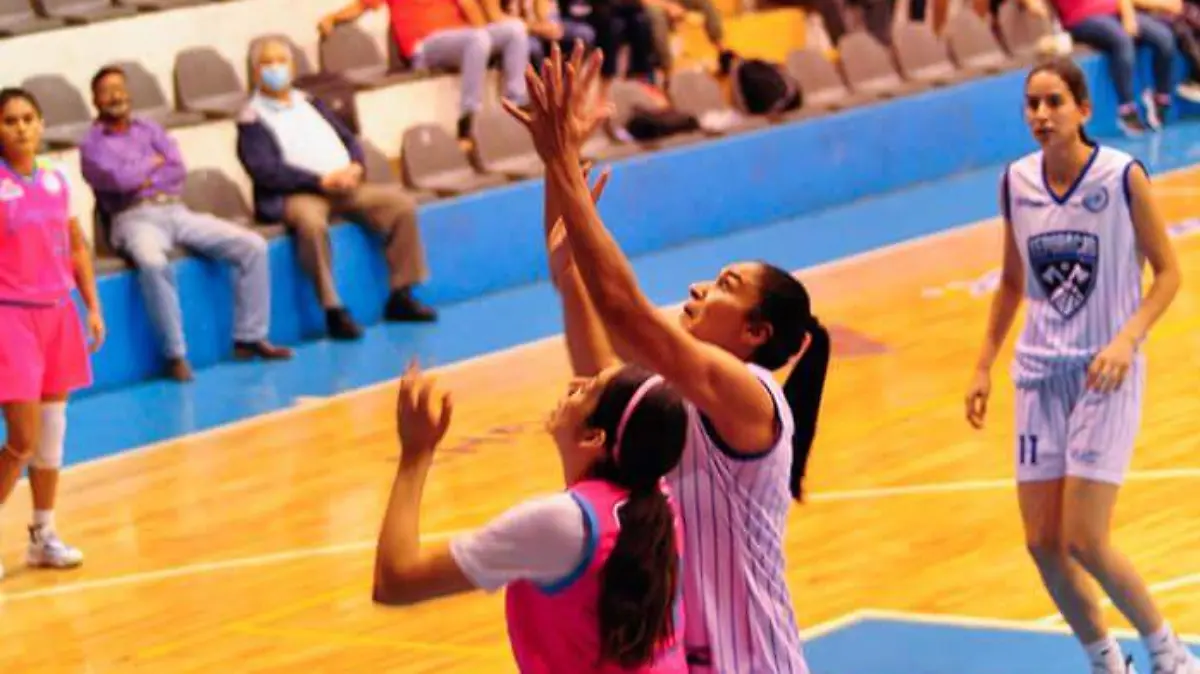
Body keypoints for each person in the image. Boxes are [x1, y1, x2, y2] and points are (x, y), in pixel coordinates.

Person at [505, 44, 831, 673]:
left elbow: (625, 314)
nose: (698, 289)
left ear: (756, 333)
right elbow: (587, 323)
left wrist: (561, 162)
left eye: (726, 286)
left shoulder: (755, 400)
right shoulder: (658, 402)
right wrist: (560, 173)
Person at [965, 56, 1195, 674]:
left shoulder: (1122, 176)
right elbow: (1013, 282)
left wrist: (1127, 340)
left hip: (1105, 372)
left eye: (1054, 102)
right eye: (1032, 105)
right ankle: (1105, 660)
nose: (1041, 115)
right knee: (1042, 543)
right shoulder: (1016, 181)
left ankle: (1169, 652)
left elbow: (1169, 273)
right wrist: (984, 363)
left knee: (1084, 539)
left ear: (1083, 110)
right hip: (1040, 375)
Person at [372, 360, 689, 673]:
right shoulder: (659, 495)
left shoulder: (562, 523)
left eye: (587, 389)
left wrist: (416, 453)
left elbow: (395, 580)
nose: (573, 384)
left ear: (593, 437)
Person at [80, 65, 293, 382]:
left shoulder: (149, 128)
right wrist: (151, 164)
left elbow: (177, 169)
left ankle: (250, 337)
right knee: (152, 263)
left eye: (120, 87)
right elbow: (117, 180)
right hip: (133, 218)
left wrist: (141, 171)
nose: (116, 95)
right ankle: (175, 354)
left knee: (253, 246)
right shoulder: (92, 144)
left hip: (177, 210)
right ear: (95, 99)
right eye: (107, 90)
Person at [237, 38, 437, 341]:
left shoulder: (309, 101)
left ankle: (401, 293)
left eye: (281, 61)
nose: (276, 68)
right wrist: (318, 181)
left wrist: (355, 165)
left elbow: (348, 138)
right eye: (268, 63)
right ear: (255, 72)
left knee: (400, 205)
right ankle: (332, 309)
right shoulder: (251, 118)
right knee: (312, 225)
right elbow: (266, 171)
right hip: (299, 193)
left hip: (343, 185)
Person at [0, 88, 105, 579]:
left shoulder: (60, 180)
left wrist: (92, 307)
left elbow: (78, 248)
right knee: (21, 438)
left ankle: (43, 534)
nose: (21, 127)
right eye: (9, 120)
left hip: (57, 313)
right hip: (10, 316)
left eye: (28, 118)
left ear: (41, 124)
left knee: (52, 436)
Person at [318, 0, 531, 141]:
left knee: (515, 29)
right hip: (424, 44)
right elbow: (362, 5)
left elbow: (471, 8)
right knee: (478, 38)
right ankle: (468, 119)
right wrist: (332, 17)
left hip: (463, 37)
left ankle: (516, 107)